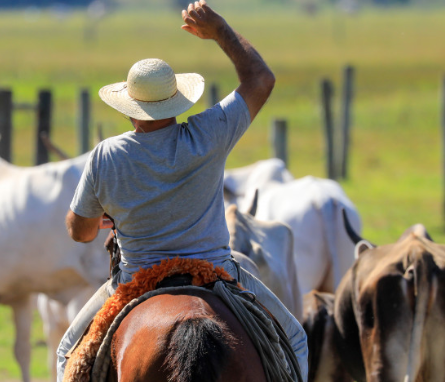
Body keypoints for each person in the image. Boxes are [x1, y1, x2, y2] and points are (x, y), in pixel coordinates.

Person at [58, 0, 308, 380]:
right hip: (216, 272)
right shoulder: (209, 133)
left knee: (66, 354)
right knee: (295, 339)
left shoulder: (108, 155)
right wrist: (220, 30)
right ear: (177, 103)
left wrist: (106, 218)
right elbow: (260, 79)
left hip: (135, 279)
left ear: (130, 110)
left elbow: (80, 231)